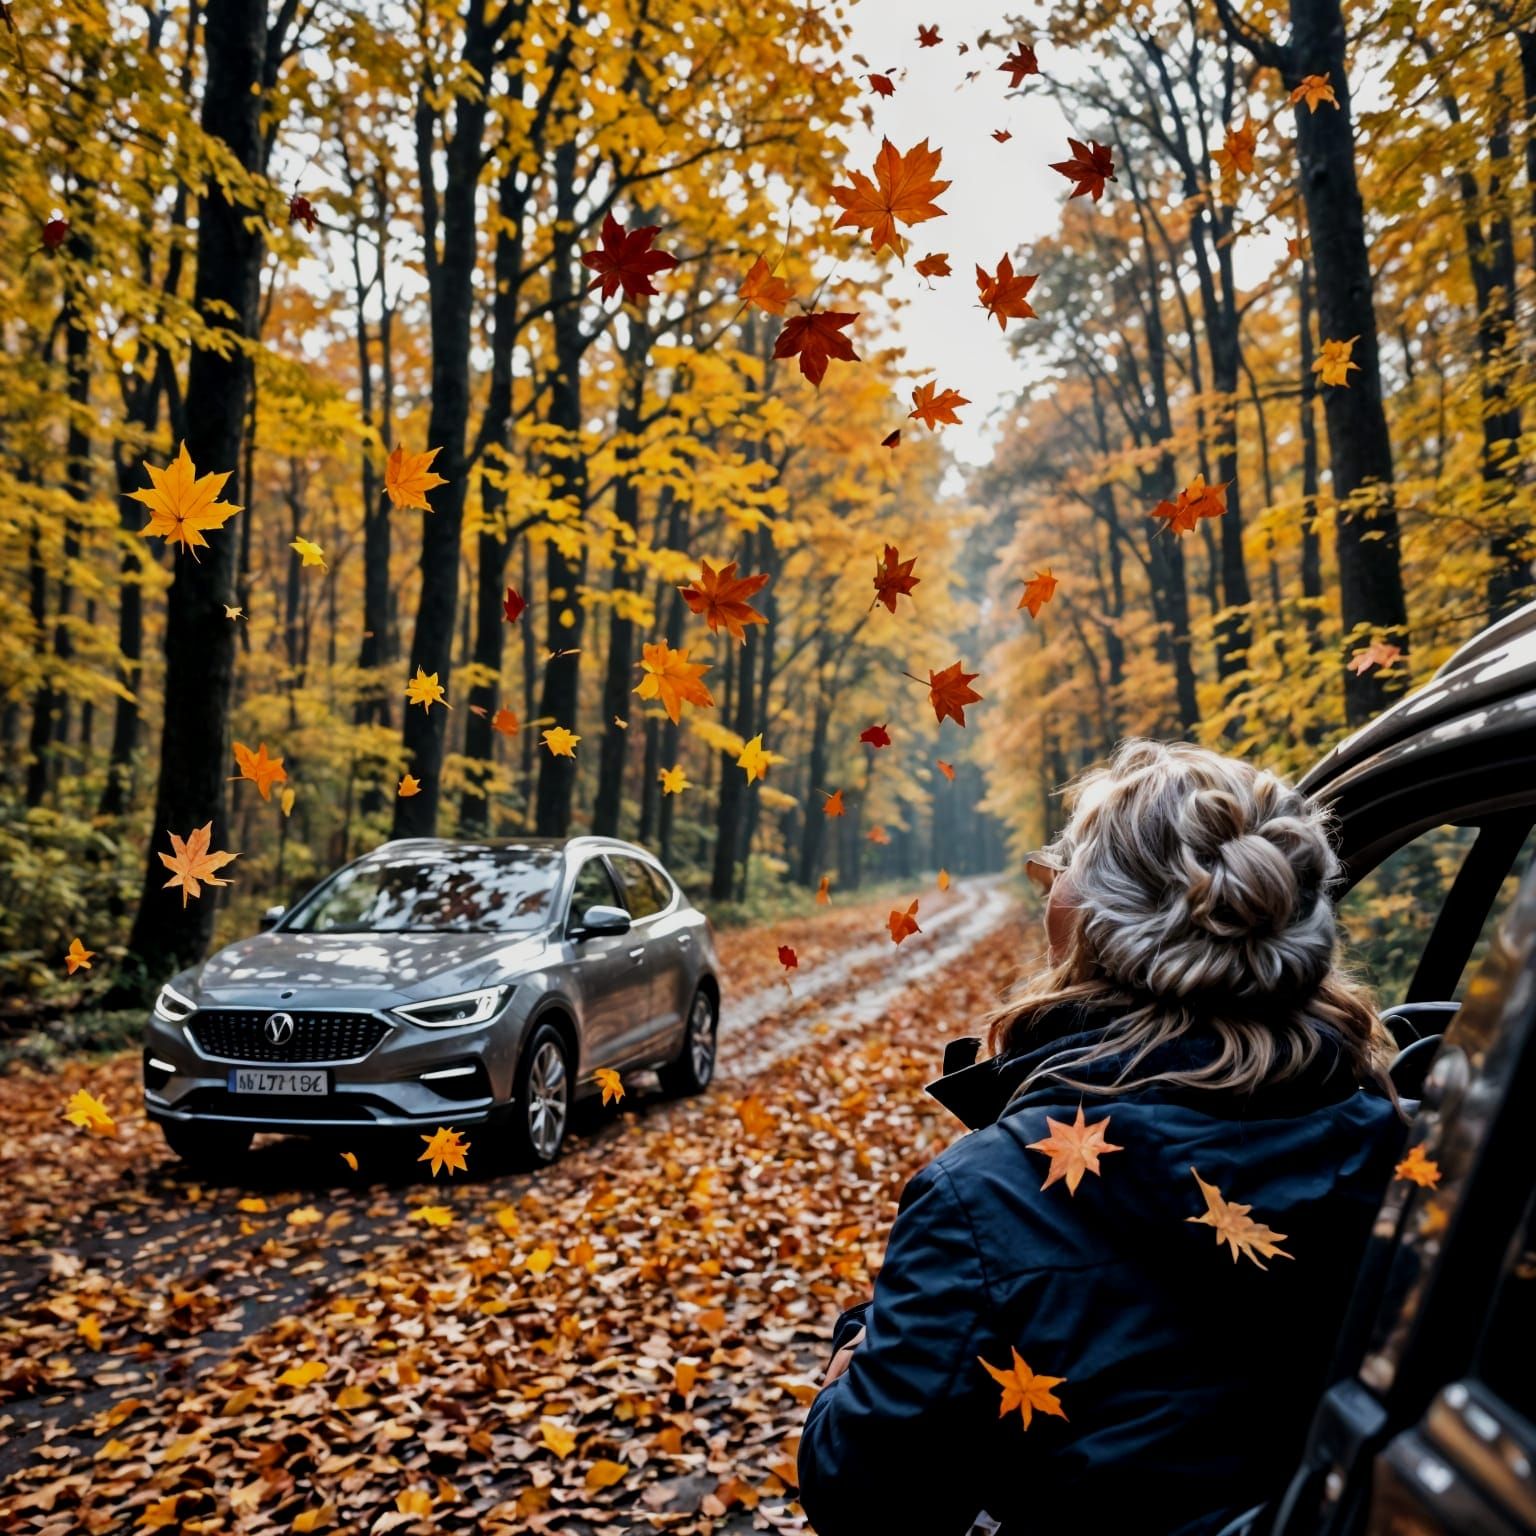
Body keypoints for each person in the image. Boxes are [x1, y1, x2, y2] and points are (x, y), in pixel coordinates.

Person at [797, 740, 1406, 1536]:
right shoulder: (1416, 1152)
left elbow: (864, 1497)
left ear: (1089, 929)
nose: (1049, 884)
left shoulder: (985, 1196)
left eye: (1066, 867)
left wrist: (858, 1353)